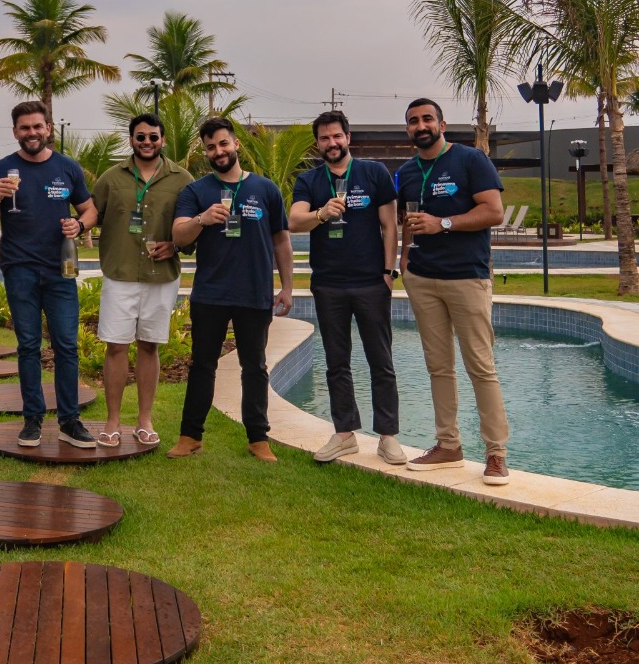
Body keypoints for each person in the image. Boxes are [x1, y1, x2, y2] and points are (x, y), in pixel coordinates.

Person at [397, 97, 509, 485]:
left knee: (480, 366)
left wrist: (442, 223)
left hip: (466, 277)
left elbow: (494, 211)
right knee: (438, 367)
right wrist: (404, 263)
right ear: (408, 130)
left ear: (442, 125)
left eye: (427, 119)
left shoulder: (470, 160)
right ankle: (448, 445)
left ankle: (496, 453)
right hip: (422, 279)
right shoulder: (406, 172)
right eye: (413, 121)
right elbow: (407, 221)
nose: (421, 125)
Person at [169, 116, 293, 462]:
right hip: (210, 294)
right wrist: (201, 219)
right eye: (211, 147)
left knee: (255, 367)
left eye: (223, 143)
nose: (218, 151)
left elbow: (281, 241)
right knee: (202, 365)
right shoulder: (196, 191)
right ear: (206, 152)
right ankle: (190, 436)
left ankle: (258, 439)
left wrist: (286, 286)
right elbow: (178, 235)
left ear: (236, 144)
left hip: (254, 292)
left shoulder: (265, 189)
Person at [0, 100, 97, 449]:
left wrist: (80, 224)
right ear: (15, 131)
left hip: (61, 269)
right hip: (20, 269)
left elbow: (90, 209)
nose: (31, 133)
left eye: (37, 126)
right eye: (24, 128)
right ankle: (32, 420)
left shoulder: (67, 168)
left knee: (66, 346)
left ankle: (70, 421)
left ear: (48, 128)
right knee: (28, 345)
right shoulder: (0, 169)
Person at [290, 110, 405, 465]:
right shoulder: (309, 180)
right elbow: (294, 221)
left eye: (337, 136)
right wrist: (322, 213)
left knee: (380, 359)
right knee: (336, 362)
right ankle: (344, 434)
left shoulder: (374, 173)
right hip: (328, 284)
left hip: (371, 282)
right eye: (325, 138)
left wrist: (388, 272)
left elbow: (390, 225)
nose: (332, 143)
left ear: (348, 137)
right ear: (318, 143)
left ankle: (388, 436)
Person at [87, 112, 192, 446]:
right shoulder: (111, 178)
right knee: (116, 346)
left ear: (163, 140)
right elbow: (91, 212)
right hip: (120, 274)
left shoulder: (182, 179)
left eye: (153, 137)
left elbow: (192, 226)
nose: (147, 142)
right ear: (131, 139)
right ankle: (113, 422)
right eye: (141, 137)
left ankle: (144, 421)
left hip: (161, 276)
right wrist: (75, 223)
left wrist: (175, 245)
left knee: (149, 346)